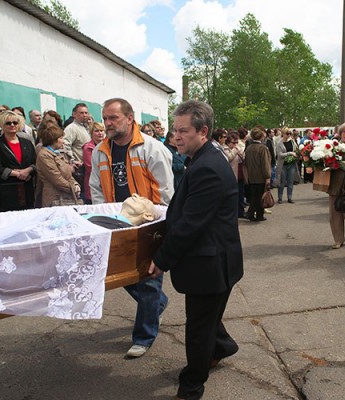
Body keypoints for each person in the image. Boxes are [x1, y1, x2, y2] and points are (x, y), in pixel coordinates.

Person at [148, 100, 243, 400]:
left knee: (199, 329)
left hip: (209, 265)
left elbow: (190, 225)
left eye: (183, 131)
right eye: (175, 130)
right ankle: (223, 347)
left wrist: (161, 259)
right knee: (209, 318)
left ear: (203, 131)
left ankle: (191, 386)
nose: (176, 136)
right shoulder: (204, 156)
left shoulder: (208, 167)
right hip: (217, 261)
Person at [90, 98, 173, 358]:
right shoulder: (99, 151)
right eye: (105, 118)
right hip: (116, 224)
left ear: (129, 118)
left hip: (148, 223)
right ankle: (157, 304)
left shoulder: (151, 148)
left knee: (148, 278)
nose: (107, 123)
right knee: (121, 273)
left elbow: (165, 190)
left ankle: (143, 337)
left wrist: (159, 223)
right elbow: (95, 188)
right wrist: (104, 217)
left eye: (113, 118)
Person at [0, 110, 37, 212]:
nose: (12, 125)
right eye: (8, 123)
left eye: (15, 123)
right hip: (7, 190)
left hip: (27, 188)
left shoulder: (27, 143)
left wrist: (27, 170)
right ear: (2, 125)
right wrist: (16, 174)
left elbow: (35, 163)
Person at [36, 124, 80, 207]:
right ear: (53, 140)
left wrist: (76, 185)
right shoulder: (44, 155)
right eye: (61, 138)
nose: (63, 141)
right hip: (55, 198)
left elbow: (67, 174)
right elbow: (56, 178)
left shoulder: (57, 153)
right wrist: (73, 188)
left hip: (65, 196)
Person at [244, 127, 271, 221]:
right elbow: (265, 164)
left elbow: (246, 163)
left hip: (251, 175)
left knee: (254, 196)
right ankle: (258, 215)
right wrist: (268, 176)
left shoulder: (248, 148)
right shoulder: (262, 148)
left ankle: (251, 213)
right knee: (260, 196)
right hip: (260, 176)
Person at [82, 122, 106, 204]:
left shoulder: (107, 145)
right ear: (91, 133)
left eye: (102, 130)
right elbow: (91, 168)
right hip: (93, 185)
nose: (100, 133)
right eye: (97, 131)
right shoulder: (87, 148)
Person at [275, 128, 298, 204]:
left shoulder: (292, 141)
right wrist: (289, 153)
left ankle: (290, 197)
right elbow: (279, 154)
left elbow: (296, 150)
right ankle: (280, 198)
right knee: (282, 182)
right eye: (287, 133)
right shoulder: (279, 143)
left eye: (289, 133)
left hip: (291, 164)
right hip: (283, 165)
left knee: (290, 182)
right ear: (283, 134)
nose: (289, 135)